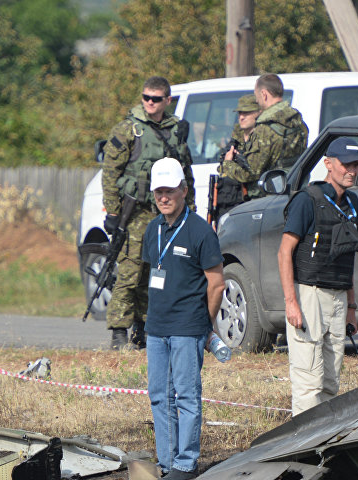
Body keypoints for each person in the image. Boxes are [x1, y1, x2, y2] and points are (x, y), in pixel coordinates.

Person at [141, 157, 224, 480]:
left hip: (188, 327)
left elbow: (216, 283)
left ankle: (186, 464)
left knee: (185, 396)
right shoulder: (153, 228)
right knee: (159, 395)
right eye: (159, 192)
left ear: (184, 191)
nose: (164, 198)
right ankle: (166, 461)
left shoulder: (200, 231)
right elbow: (154, 271)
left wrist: (205, 325)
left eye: (170, 191)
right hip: (157, 327)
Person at [102, 76, 195, 350]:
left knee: (157, 272)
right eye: (146, 98)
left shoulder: (176, 129)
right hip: (135, 212)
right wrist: (113, 213)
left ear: (167, 100)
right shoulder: (128, 129)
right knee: (130, 272)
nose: (150, 103)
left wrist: (191, 209)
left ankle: (143, 329)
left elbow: (185, 171)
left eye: (156, 99)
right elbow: (110, 174)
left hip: (166, 212)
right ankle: (119, 331)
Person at [278, 137, 358, 415]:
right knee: (308, 380)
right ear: (328, 164)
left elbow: (349, 257)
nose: (351, 170)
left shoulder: (352, 203)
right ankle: (303, 447)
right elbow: (284, 252)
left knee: (330, 380)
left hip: (338, 296)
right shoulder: (307, 200)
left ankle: (325, 446)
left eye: (355, 164)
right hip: (309, 294)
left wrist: (351, 307)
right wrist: (291, 302)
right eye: (345, 164)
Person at [225, 74, 308, 200]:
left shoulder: (264, 129)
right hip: (297, 192)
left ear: (264, 94)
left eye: (257, 96)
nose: (257, 101)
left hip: (270, 200)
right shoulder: (297, 121)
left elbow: (250, 173)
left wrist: (228, 164)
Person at [213, 94, 260, 213]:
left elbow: (250, 173)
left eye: (246, 113)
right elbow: (221, 167)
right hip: (231, 201)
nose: (242, 117)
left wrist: (229, 163)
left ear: (258, 113)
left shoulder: (261, 139)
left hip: (253, 202)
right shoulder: (235, 139)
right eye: (240, 113)